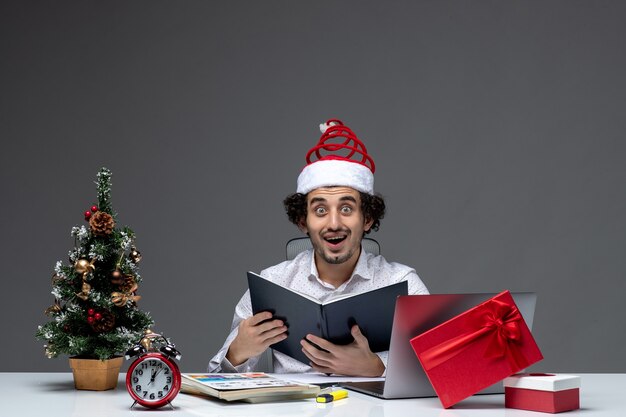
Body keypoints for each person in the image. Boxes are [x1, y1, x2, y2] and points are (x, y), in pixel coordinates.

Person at [208, 119, 429, 377]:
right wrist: (237, 352)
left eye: (346, 209)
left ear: (367, 219)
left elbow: (439, 369)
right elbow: (216, 378)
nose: (334, 223)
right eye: (320, 210)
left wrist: (377, 368)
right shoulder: (271, 284)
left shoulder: (404, 285)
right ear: (303, 222)